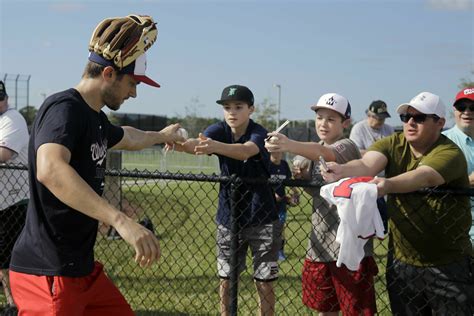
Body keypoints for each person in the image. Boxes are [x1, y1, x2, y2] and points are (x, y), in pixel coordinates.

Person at [9, 14, 185, 316]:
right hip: (47, 273)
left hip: (82, 271)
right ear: (108, 73)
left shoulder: (96, 120)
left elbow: (128, 136)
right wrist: (120, 220)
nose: (134, 92)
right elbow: (50, 169)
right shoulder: (64, 109)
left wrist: (161, 135)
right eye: (132, 83)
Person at [322, 91, 474, 315]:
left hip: (448, 263)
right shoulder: (394, 142)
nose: (411, 122)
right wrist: (342, 170)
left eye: (420, 118)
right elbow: (367, 164)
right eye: (406, 117)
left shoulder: (449, 152)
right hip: (403, 263)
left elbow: (423, 176)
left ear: (440, 123)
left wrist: (386, 185)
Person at [266, 93, 379, 315]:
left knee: (355, 309)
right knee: (324, 308)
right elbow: (319, 192)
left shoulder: (347, 146)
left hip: (349, 245)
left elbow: (326, 153)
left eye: (331, 119)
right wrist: (302, 178)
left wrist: (289, 144)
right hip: (320, 242)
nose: (323, 124)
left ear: (345, 123)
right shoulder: (311, 149)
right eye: (319, 118)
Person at [173, 84, 280, 316]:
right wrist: (180, 144)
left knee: (264, 281)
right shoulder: (219, 129)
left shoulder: (259, 132)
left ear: (251, 109)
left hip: (261, 217)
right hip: (228, 217)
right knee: (227, 279)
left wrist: (214, 146)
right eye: (227, 107)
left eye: (238, 107)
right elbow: (198, 144)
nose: (232, 112)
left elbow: (245, 151)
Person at [0, 80, 29, 316]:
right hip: (2, 202)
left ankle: (15, 304)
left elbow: (4, 154)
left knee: (10, 259)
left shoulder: (12, 119)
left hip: (15, 202)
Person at [442, 87, 474, 247]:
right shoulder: (442, 142)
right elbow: (433, 187)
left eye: (472, 107)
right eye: (462, 107)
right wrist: (468, 181)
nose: (467, 112)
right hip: (456, 226)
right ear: (454, 110)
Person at [268, 151, 299, 261]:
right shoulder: (266, 164)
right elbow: (261, 183)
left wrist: (295, 192)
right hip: (266, 203)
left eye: (279, 151)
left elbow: (288, 181)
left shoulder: (284, 165)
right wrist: (271, 194)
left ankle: (279, 251)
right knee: (267, 227)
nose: (277, 153)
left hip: (281, 203)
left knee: (280, 227)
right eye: (274, 151)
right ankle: (266, 249)